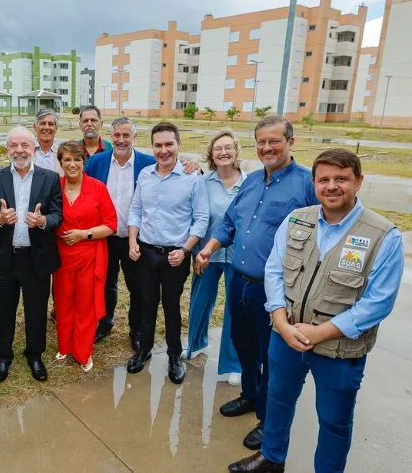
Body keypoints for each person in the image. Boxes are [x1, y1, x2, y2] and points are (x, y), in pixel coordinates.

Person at [229, 149, 404, 473]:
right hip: (287, 336)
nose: (332, 186)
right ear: (314, 183)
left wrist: (321, 332)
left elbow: (379, 301)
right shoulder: (297, 219)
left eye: (341, 179)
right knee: (279, 400)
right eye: (324, 179)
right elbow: (274, 271)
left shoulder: (382, 235)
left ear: (358, 182)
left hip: (339, 348)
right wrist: (281, 322)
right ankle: (271, 457)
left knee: (334, 420)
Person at [195, 115, 317, 451]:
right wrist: (208, 249)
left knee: (271, 354)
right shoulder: (250, 181)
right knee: (243, 343)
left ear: (290, 142)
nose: (267, 148)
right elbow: (230, 222)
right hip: (240, 281)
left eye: (274, 141)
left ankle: (268, 419)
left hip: (275, 290)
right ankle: (250, 395)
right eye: (261, 141)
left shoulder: (307, 184)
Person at [86, 117, 201, 348]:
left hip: (136, 241)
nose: (121, 140)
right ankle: (104, 323)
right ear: (111, 136)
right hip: (104, 237)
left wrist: (196, 165)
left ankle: (137, 331)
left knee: (138, 288)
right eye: (117, 135)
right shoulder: (96, 162)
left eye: (126, 135)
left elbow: (172, 163)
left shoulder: (148, 163)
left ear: (134, 138)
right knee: (104, 283)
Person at [126, 121, 208, 385]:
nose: (163, 150)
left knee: (171, 307)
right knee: (147, 303)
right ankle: (144, 349)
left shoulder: (192, 178)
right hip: (147, 253)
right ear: (152, 147)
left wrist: (185, 249)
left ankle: (174, 355)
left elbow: (201, 218)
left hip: (175, 255)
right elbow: (136, 209)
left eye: (169, 144)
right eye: (158, 145)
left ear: (178, 145)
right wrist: (132, 240)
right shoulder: (145, 175)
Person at [0, 126, 63, 383]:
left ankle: (34, 355)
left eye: (25, 145)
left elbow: (58, 215)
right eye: (14, 146)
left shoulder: (50, 178)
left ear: (34, 149)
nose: (19, 150)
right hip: (5, 257)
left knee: (36, 310)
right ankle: (4, 357)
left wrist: (42, 221)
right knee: (4, 309)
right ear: (7, 150)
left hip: (36, 257)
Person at [53, 141, 117, 371]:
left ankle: (83, 351)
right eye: (67, 159)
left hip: (90, 254)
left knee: (85, 304)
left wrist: (84, 234)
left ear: (84, 161)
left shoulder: (98, 187)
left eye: (77, 159)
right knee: (63, 301)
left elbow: (111, 224)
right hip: (62, 256)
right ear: (60, 163)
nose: (72, 164)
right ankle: (65, 346)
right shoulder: (54, 186)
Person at [188, 129, 244, 384]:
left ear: (236, 151)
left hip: (237, 254)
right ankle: (195, 344)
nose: (223, 152)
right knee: (200, 301)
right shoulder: (202, 181)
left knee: (235, 309)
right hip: (205, 253)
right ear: (211, 153)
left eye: (228, 147)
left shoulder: (250, 183)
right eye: (218, 148)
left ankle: (234, 364)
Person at [32, 108, 61, 173]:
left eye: (50, 124)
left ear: (56, 128)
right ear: (35, 127)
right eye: (43, 123)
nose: (47, 127)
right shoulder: (27, 151)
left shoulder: (62, 153)